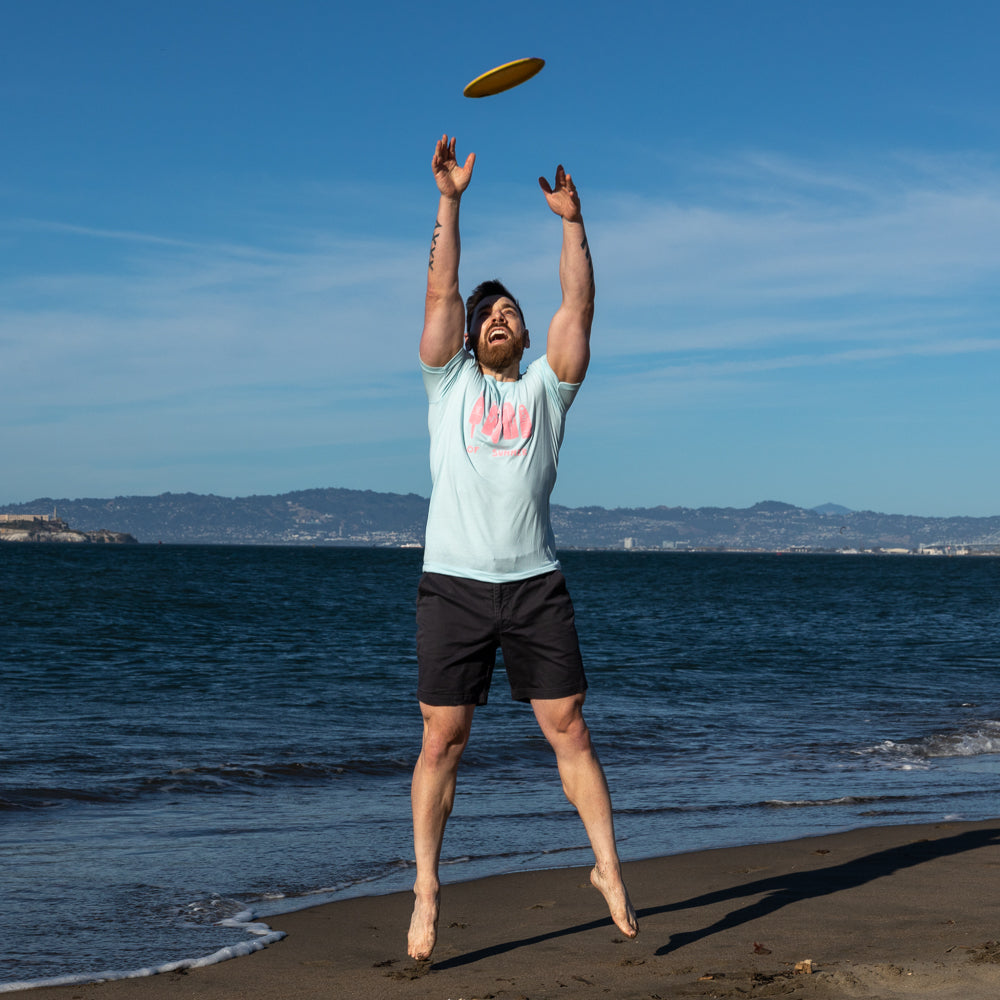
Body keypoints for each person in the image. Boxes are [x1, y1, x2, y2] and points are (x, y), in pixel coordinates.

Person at [408, 134, 638, 962]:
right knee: (442, 739)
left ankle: (608, 868)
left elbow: (578, 309)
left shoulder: (548, 387)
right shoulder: (449, 383)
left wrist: (574, 224)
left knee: (569, 728)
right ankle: (428, 886)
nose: (499, 317)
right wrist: (451, 200)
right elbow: (441, 286)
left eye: (509, 311)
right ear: (470, 340)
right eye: (487, 315)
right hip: (455, 587)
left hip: (536, 584)